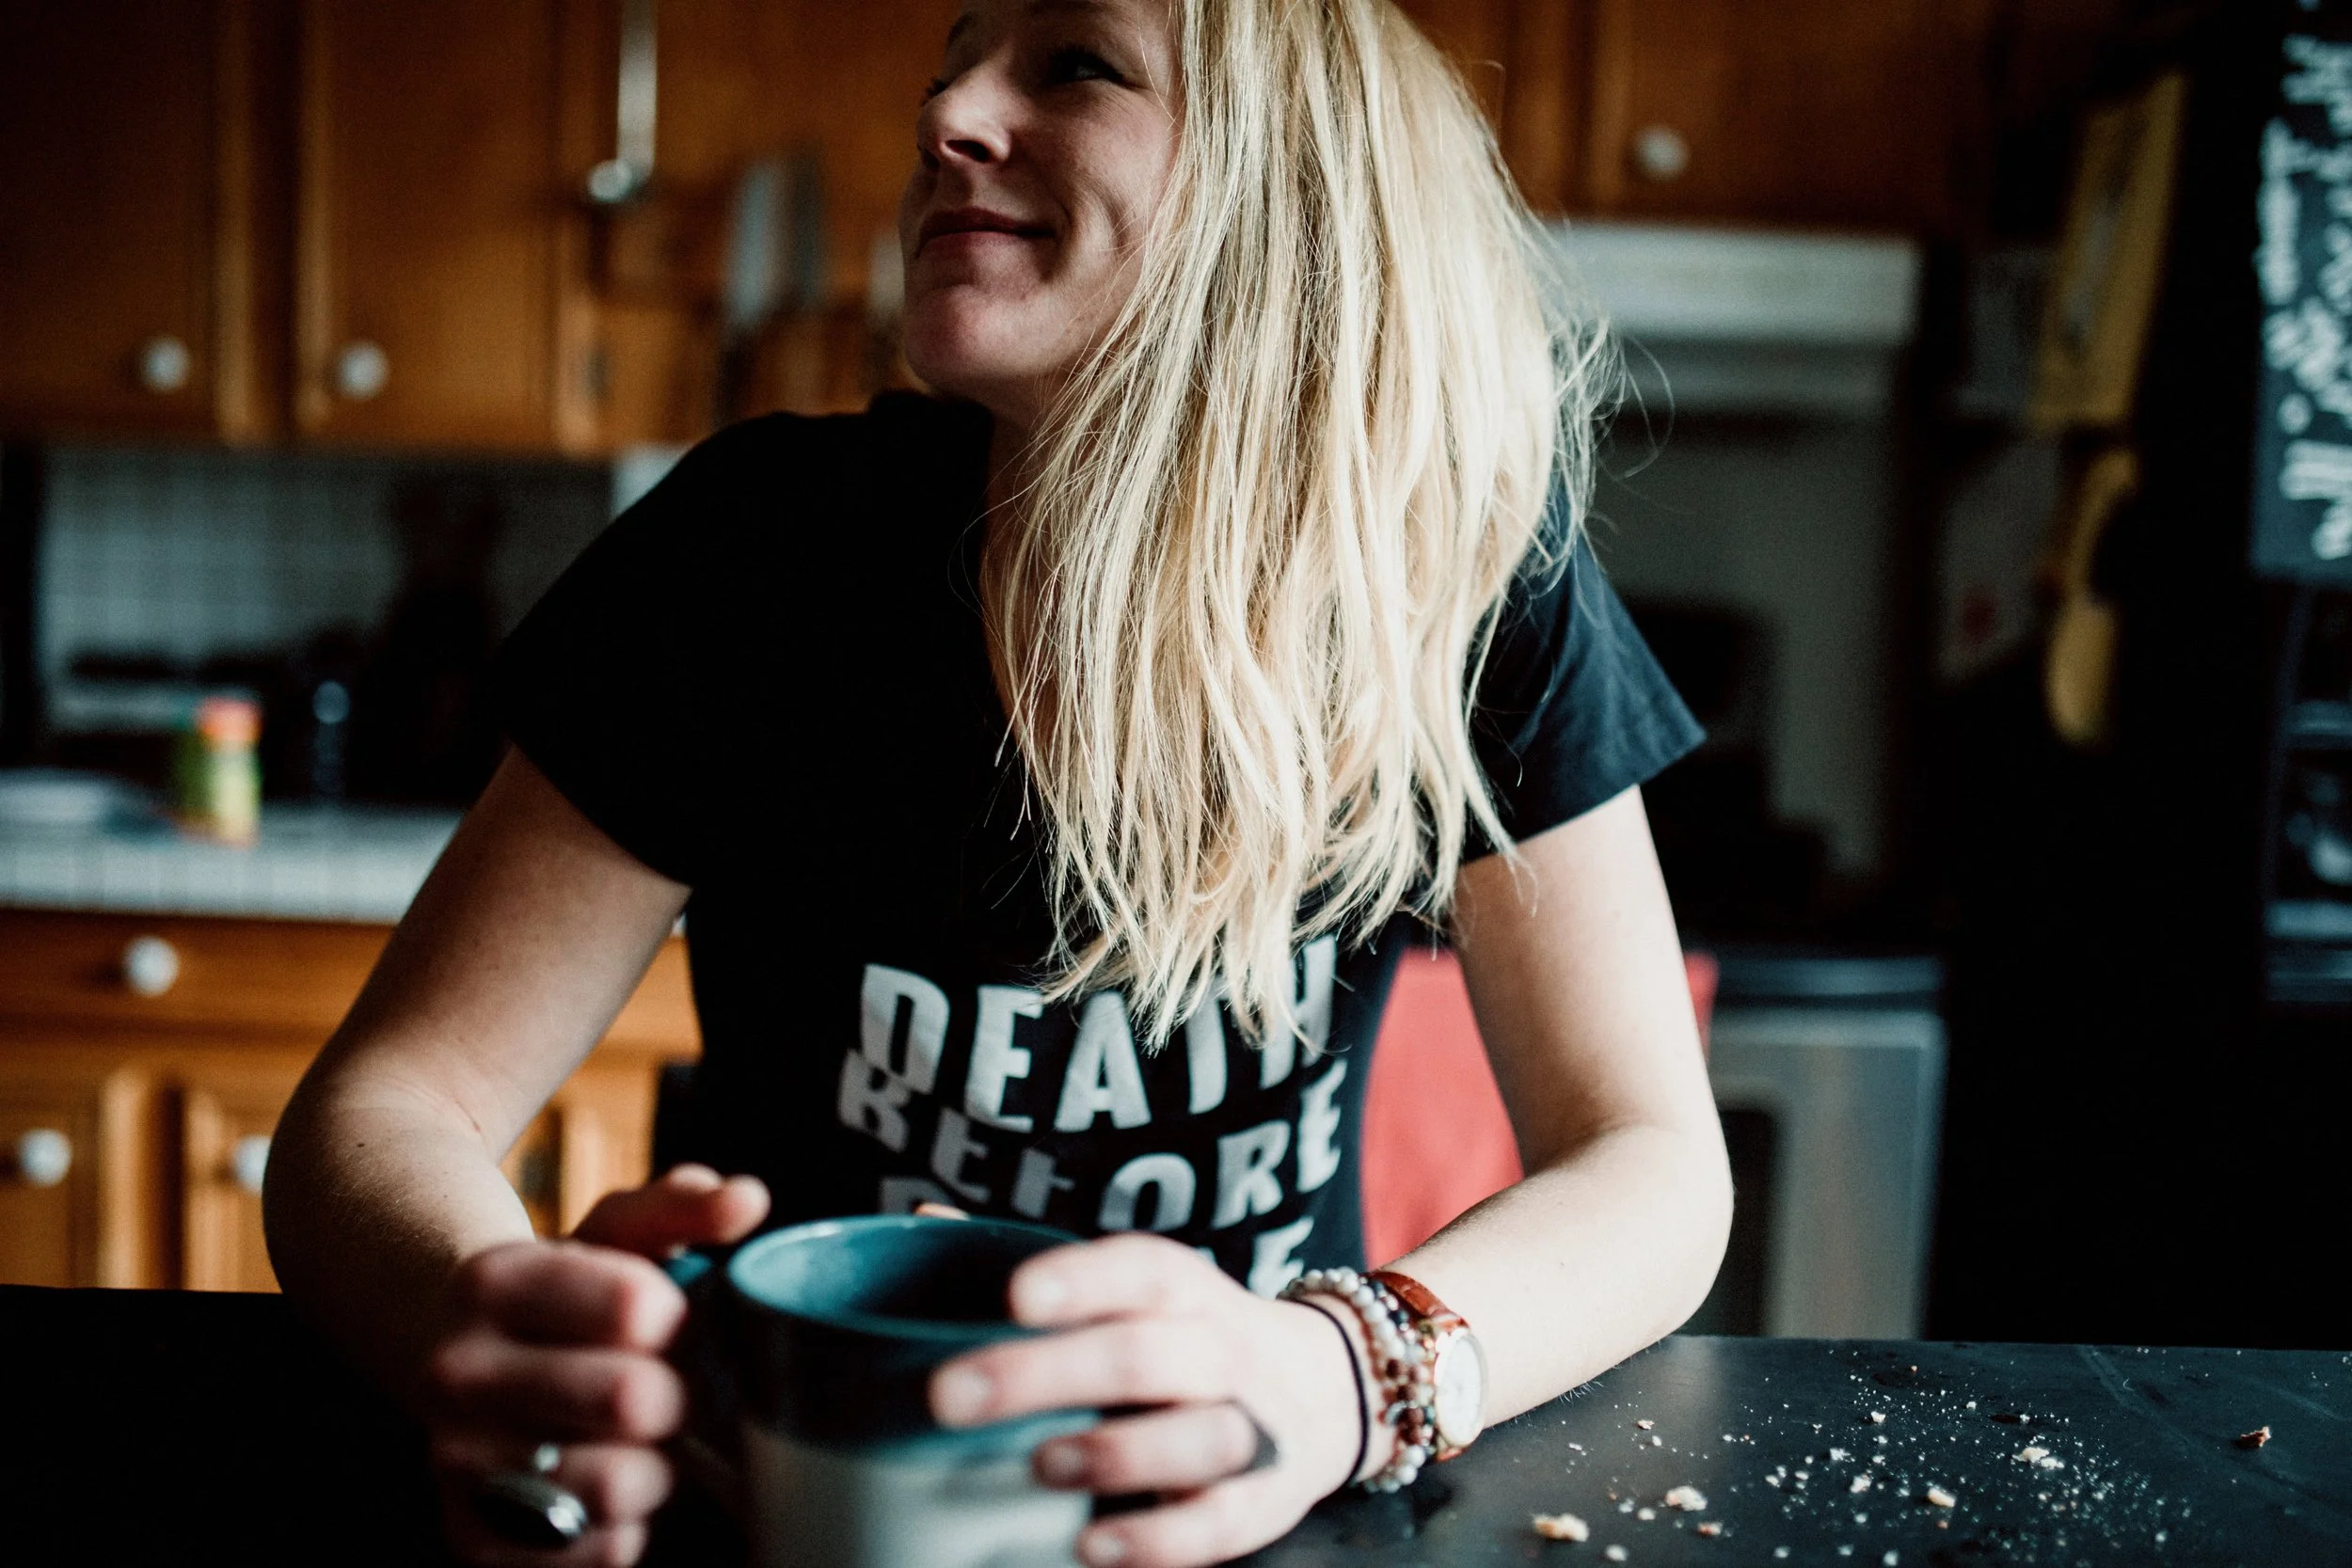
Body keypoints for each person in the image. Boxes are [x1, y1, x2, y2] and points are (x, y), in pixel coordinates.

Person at [263, 1, 1732, 1563]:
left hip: (1253, 1506)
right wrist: (497, 1327)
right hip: (804, 1488)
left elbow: (1645, 1161)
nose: (947, 110)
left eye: (1075, 63)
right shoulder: (751, 560)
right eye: (954, 61)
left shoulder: (1452, 577)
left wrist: (1341, 1373)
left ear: (1286, 177)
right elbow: (384, 1110)